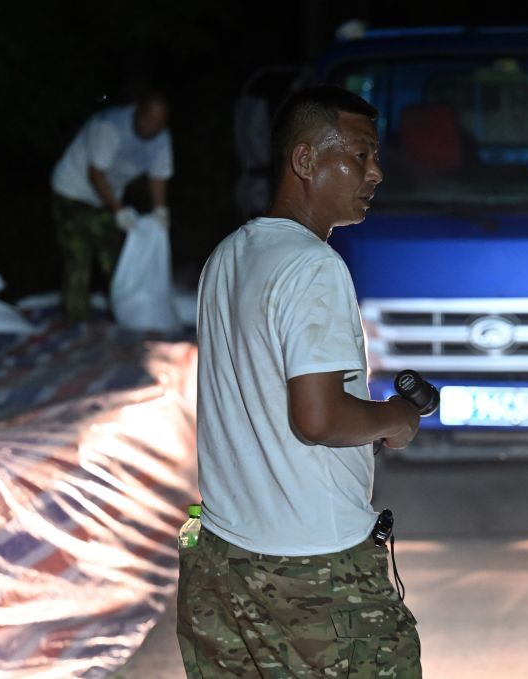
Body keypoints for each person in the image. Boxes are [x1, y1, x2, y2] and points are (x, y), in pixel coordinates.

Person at [176, 86, 423, 677]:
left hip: (222, 556)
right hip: (313, 568)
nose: (376, 172)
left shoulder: (227, 256)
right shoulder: (314, 266)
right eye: (360, 155)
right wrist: (396, 418)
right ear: (305, 160)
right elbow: (319, 417)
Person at [50, 88, 174, 322]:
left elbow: (158, 176)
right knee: (79, 255)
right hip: (72, 190)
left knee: (116, 257)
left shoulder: (161, 138)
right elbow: (95, 174)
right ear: (138, 111)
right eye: (149, 120)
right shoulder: (110, 127)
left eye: (160, 123)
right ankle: (77, 321)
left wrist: (160, 210)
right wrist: (119, 210)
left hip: (106, 197)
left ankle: (123, 314)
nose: (153, 128)